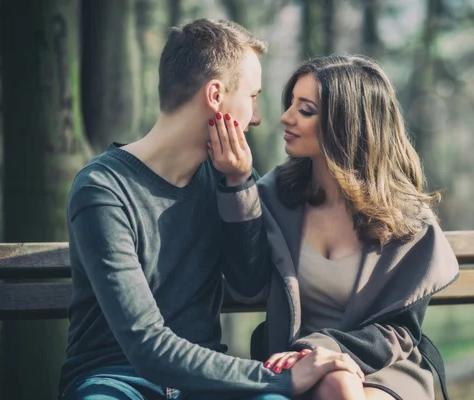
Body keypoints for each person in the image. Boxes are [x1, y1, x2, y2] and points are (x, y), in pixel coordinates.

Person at [58, 19, 362, 400]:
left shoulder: (224, 180)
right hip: (116, 381)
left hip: (203, 386)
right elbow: (146, 346)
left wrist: (238, 185)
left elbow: (249, 284)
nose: (256, 117)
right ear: (215, 96)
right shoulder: (102, 189)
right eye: (252, 97)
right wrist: (277, 378)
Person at [250, 55, 460, 400]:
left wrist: (322, 346)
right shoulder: (275, 197)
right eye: (291, 104)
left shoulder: (407, 220)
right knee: (339, 385)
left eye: (305, 110)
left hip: (385, 367)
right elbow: (243, 275)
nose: (285, 117)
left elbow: (400, 333)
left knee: (349, 390)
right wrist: (234, 181)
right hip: (296, 364)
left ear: (346, 124)